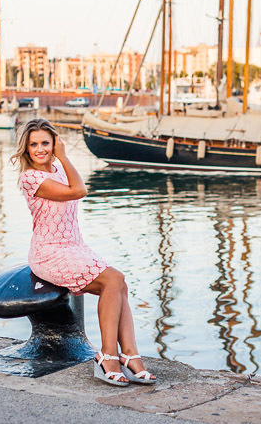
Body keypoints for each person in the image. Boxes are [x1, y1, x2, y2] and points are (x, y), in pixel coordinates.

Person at [11, 118, 156, 386]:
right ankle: (108, 356)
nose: (40, 149)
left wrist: (62, 159)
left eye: (46, 142)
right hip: (49, 253)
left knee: (119, 282)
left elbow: (74, 184)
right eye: (34, 144)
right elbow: (79, 190)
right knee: (112, 280)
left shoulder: (58, 168)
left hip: (75, 247)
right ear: (26, 149)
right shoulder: (30, 178)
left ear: (54, 142)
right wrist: (64, 155)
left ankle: (131, 356)